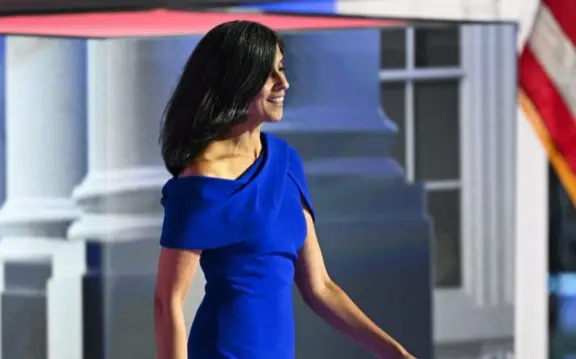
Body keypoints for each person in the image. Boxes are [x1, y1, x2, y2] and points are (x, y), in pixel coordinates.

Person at [154, 20, 416, 359]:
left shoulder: (285, 162)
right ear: (237, 80)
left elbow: (320, 287)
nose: (284, 83)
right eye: (269, 74)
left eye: (282, 69)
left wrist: (394, 352)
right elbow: (167, 302)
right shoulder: (200, 182)